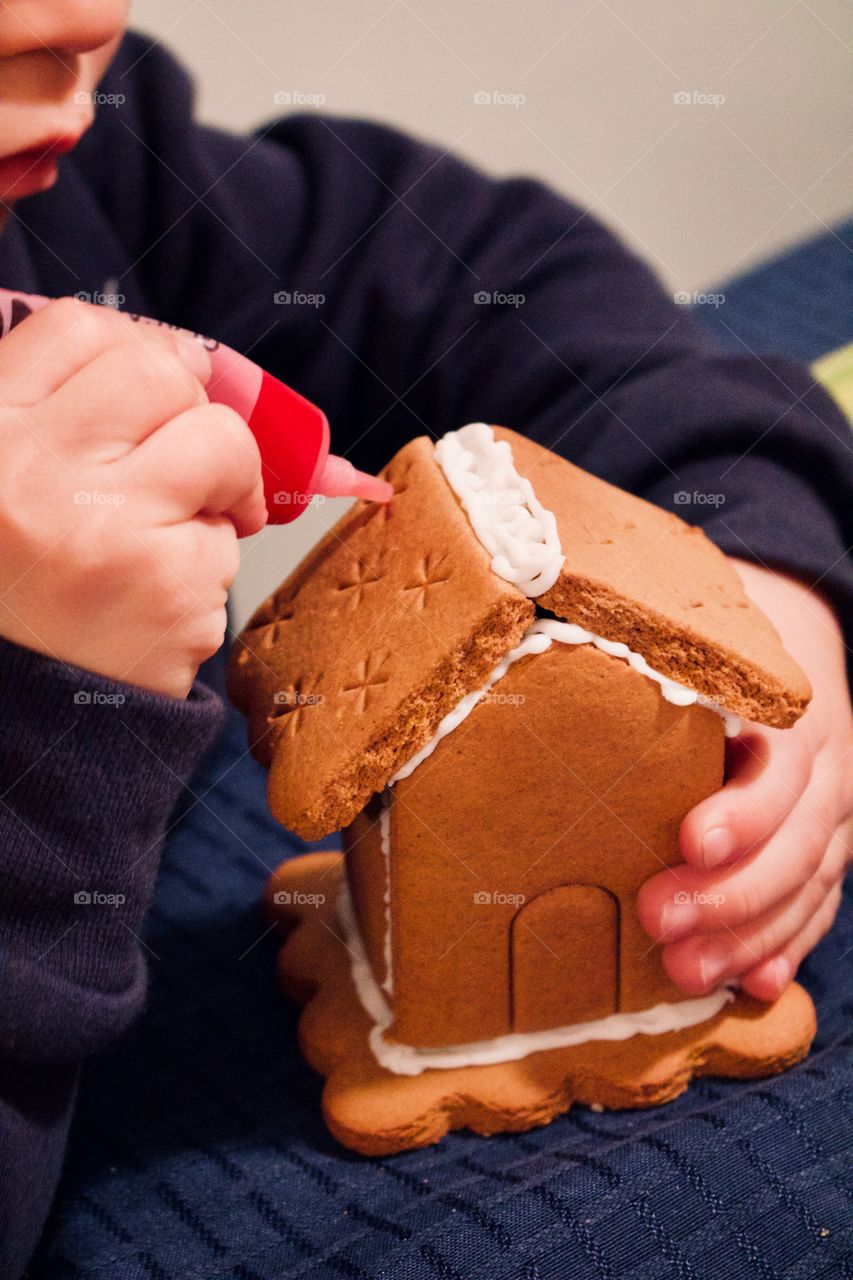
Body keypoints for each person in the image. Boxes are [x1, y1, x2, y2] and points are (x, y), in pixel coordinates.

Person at [0, 3, 850, 1275]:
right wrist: (50, 718)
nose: (77, 21)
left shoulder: (85, 171)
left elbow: (486, 271)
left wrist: (756, 571)